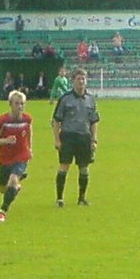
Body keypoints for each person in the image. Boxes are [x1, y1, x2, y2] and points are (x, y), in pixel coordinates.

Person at [52, 67, 99, 207]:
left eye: (83, 78)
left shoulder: (91, 99)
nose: (81, 81)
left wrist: (94, 139)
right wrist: (57, 139)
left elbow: (94, 121)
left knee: (84, 168)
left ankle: (82, 198)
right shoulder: (65, 99)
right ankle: (60, 198)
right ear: (72, 81)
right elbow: (56, 120)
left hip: (84, 137)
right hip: (68, 136)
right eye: (78, 79)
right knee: (64, 166)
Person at [0, 89, 32, 222]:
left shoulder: (27, 119)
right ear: (10, 104)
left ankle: (2, 211)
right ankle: (16, 186)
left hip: (21, 156)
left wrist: (29, 148)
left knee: (13, 180)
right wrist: (5, 141)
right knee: (3, 189)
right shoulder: (2, 121)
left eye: (22, 104)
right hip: (5, 158)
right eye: (17, 103)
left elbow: (29, 132)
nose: (20, 106)